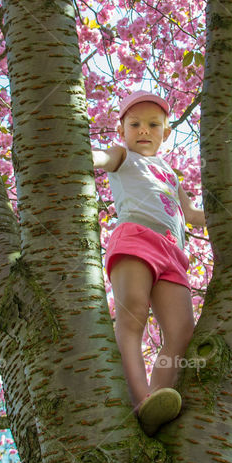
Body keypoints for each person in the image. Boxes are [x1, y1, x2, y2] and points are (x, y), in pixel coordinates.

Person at [92, 90, 204, 435]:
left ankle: (158, 398)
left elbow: (194, 216)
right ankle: (139, 399)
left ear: (166, 133)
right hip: (136, 238)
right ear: (122, 130)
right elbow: (101, 159)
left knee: (182, 331)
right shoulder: (123, 155)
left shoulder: (170, 173)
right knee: (133, 315)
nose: (144, 130)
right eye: (135, 123)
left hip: (172, 253)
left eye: (153, 124)